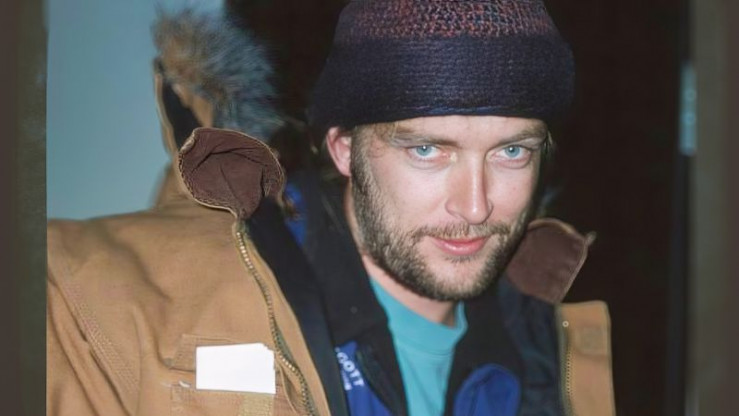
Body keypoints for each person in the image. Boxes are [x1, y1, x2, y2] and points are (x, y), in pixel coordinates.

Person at [47, 1, 615, 416]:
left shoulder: (557, 352)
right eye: (426, 150)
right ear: (344, 148)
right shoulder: (93, 298)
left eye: (512, 152)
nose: (475, 204)